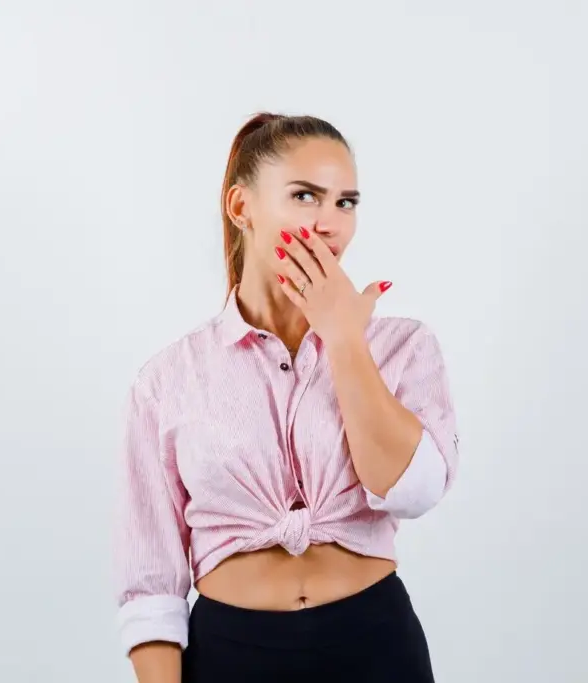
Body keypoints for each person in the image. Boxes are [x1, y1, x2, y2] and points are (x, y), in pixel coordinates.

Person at [113, 112, 459, 682]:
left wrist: (344, 340)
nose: (330, 223)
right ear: (241, 207)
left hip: (375, 647)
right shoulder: (168, 380)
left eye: (345, 203)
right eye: (305, 196)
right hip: (231, 655)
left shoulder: (401, 346)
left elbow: (413, 492)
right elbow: (151, 586)